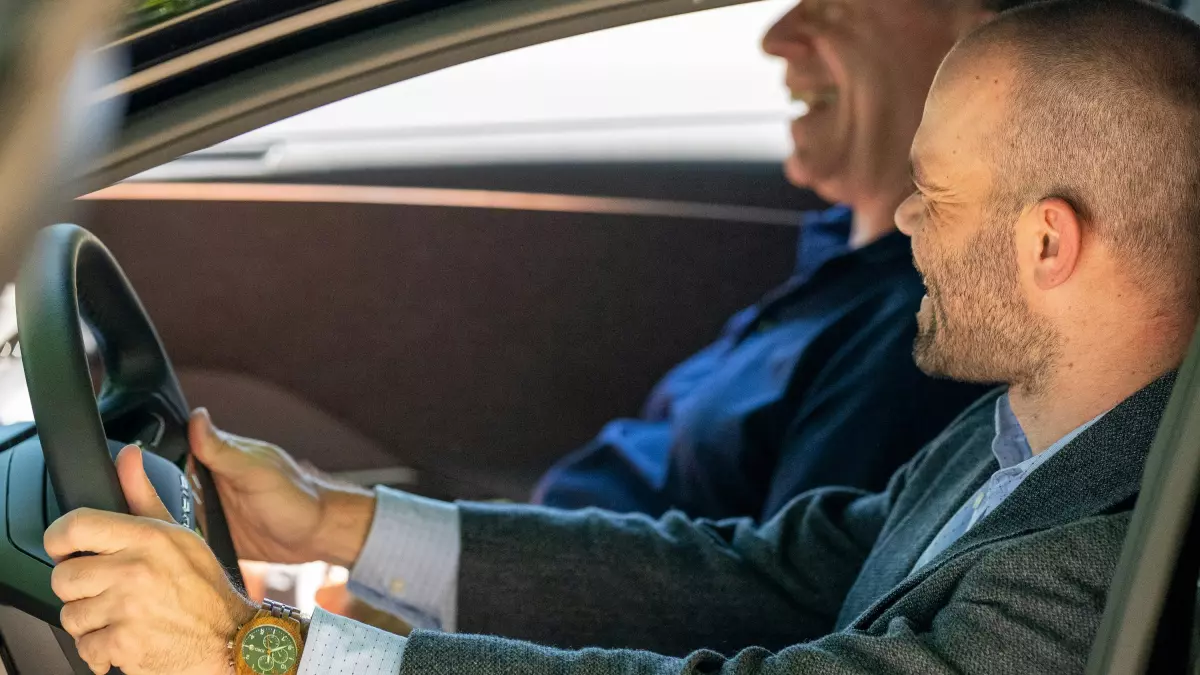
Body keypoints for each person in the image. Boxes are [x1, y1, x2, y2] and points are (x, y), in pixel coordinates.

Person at [44, 1, 1200, 673]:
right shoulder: (1015, 439)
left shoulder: (1094, 566)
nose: (898, 223)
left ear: (1050, 244)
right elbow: (756, 577)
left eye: (934, 197)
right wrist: (336, 519)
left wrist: (261, 651)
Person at [531, 0, 1004, 520]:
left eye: (831, 4)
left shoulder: (928, 331)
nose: (776, 37)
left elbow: (774, 592)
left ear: (987, 48)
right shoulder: (844, 256)